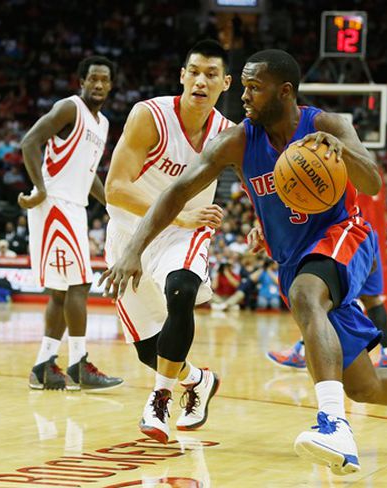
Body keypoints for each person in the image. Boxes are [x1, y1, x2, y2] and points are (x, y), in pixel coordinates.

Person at [100, 49, 387, 475]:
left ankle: (334, 426)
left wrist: (341, 151)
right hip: (294, 257)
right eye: (243, 86)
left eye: (253, 88)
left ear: (285, 92)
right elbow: (177, 192)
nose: (243, 96)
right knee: (364, 385)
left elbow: (371, 181)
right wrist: (133, 248)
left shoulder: (327, 125)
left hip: (343, 236)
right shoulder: (237, 140)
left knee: (306, 295)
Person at [103, 40, 232, 442]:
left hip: (186, 231)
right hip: (130, 232)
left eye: (211, 74)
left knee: (181, 289)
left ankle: (159, 399)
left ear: (225, 83)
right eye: (193, 71)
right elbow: (115, 188)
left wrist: (265, 224)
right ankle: (198, 380)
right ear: (182, 76)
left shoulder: (229, 135)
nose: (200, 80)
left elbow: (261, 185)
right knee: (148, 348)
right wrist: (178, 212)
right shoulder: (150, 116)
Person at [19, 55, 123, 392]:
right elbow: (30, 142)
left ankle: (43, 366)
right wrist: (39, 188)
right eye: (92, 78)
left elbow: (89, 174)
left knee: (62, 292)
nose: (98, 85)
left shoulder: (103, 124)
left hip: (75, 206)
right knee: (78, 285)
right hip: (55, 204)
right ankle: (78, 365)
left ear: (111, 85)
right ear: (81, 81)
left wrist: (113, 205)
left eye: (104, 80)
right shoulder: (69, 108)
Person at [266, 171, 387, 370]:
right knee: (369, 298)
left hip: (350, 235)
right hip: (369, 235)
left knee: (321, 296)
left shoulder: (343, 173)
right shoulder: (375, 180)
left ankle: (303, 351)